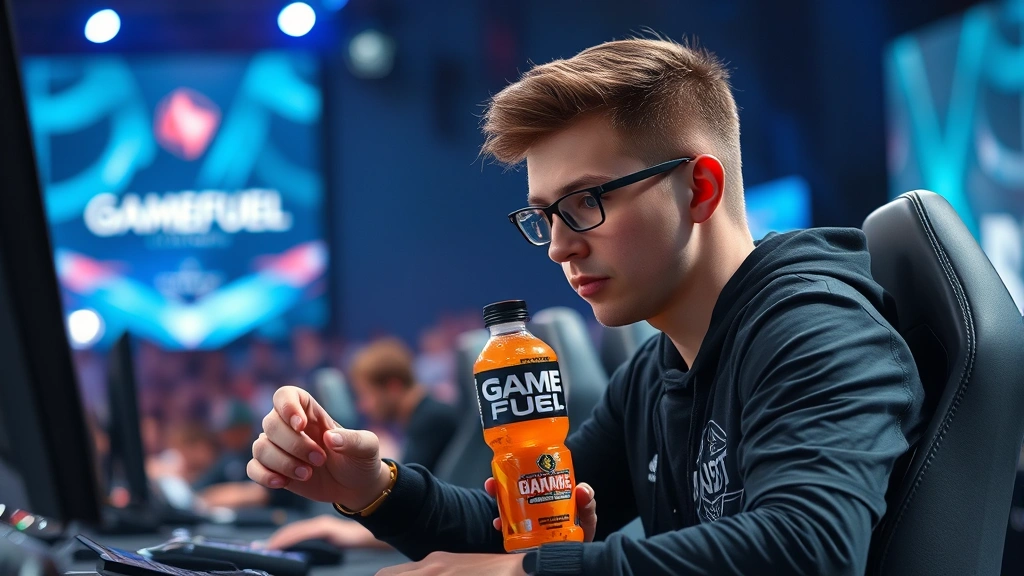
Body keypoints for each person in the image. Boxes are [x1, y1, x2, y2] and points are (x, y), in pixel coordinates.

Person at [248, 36, 926, 575]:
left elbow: (809, 549)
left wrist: (532, 573)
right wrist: (372, 486)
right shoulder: (659, 369)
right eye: (545, 215)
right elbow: (521, 522)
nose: (558, 248)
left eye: (584, 203)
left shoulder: (818, 330)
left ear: (699, 189)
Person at [261, 337, 463, 550]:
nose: (362, 406)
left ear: (393, 387)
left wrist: (333, 528)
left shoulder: (432, 420)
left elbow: (408, 510)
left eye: (365, 394)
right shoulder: (426, 417)